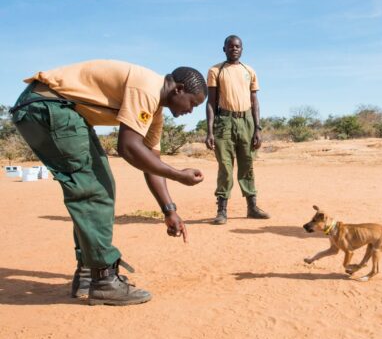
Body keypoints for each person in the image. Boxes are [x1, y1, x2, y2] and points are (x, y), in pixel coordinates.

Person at [10, 60, 207, 305]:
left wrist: (170, 210)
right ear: (178, 89)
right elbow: (128, 147)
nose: (192, 110)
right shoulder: (147, 87)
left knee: (97, 185)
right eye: (193, 103)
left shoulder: (154, 112)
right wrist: (178, 174)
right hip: (47, 106)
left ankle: (88, 271)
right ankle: (103, 279)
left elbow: (150, 162)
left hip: (53, 108)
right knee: (95, 189)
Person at [205, 35, 270, 224]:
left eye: (238, 46)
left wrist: (257, 128)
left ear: (242, 49)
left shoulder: (249, 70)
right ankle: (222, 210)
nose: (234, 49)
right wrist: (209, 131)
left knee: (247, 164)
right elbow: (210, 102)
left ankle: (252, 207)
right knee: (225, 166)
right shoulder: (215, 70)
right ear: (224, 49)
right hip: (224, 120)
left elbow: (255, 102)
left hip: (247, 121)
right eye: (231, 46)